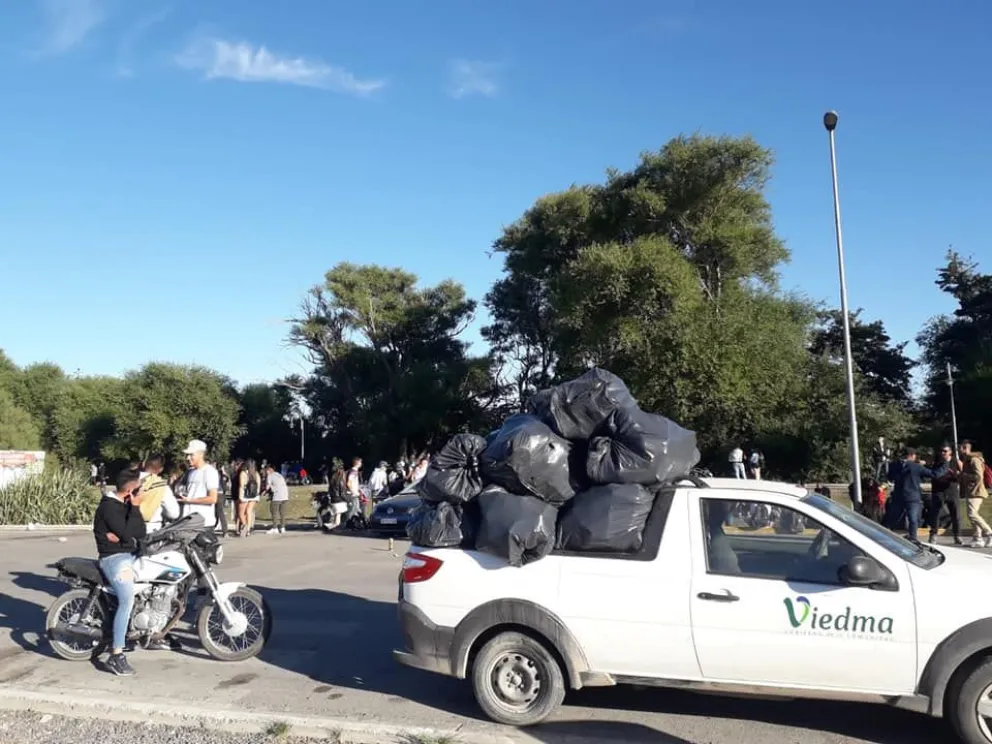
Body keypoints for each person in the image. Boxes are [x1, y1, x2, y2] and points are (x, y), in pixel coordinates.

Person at [93, 468, 147, 676]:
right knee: (127, 601)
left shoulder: (124, 506)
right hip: (114, 560)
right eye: (139, 489)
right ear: (130, 491)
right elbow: (126, 534)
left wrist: (129, 536)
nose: (142, 492)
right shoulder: (109, 508)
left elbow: (139, 533)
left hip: (129, 555)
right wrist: (133, 511)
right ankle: (116, 654)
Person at [885, 447, 948, 544]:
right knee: (913, 519)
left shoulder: (895, 465)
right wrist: (945, 465)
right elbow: (934, 474)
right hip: (912, 496)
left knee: (892, 518)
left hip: (898, 496)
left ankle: (885, 537)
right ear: (912, 455)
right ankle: (913, 538)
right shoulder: (916, 467)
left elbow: (889, 477)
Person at [177, 440, 219, 529]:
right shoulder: (190, 472)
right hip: (188, 522)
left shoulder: (209, 472)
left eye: (191, 455)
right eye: (187, 455)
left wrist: (190, 500)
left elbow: (213, 498)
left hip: (203, 524)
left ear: (201, 454)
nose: (188, 458)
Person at [958, 440, 991, 548]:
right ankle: (978, 538)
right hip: (971, 491)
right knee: (972, 515)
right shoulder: (967, 460)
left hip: (976, 491)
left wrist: (964, 475)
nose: (960, 450)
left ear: (967, 448)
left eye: (962, 448)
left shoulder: (974, 460)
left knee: (972, 514)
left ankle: (989, 533)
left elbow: (978, 476)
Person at [928, 444, 963, 546]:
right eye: (941, 451)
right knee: (936, 513)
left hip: (951, 490)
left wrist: (957, 474)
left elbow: (962, 474)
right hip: (938, 490)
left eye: (945, 451)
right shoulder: (937, 461)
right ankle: (933, 534)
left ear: (950, 452)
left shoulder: (955, 462)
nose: (942, 453)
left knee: (955, 514)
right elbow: (932, 473)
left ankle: (957, 535)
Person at [138, 455, 180, 534]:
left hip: (125, 526)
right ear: (161, 470)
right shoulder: (162, 486)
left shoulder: (128, 479)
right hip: (151, 528)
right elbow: (174, 513)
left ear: (143, 464)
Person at [236, 460, 261, 538]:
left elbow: (241, 485)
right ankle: (249, 529)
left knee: (240, 513)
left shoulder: (243, 473)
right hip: (254, 495)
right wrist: (257, 493)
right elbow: (259, 485)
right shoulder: (256, 474)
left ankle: (244, 525)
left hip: (245, 495)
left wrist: (240, 496)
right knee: (249, 511)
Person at [263, 464, 290, 534]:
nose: (265, 472)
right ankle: (283, 528)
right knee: (282, 513)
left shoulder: (270, 476)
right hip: (285, 496)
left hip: (277, 496)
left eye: (266, 471)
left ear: (268, 470)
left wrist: (263, 492)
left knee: (274, 511)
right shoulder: (279, 475)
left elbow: (267, 487)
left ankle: (275, 528)